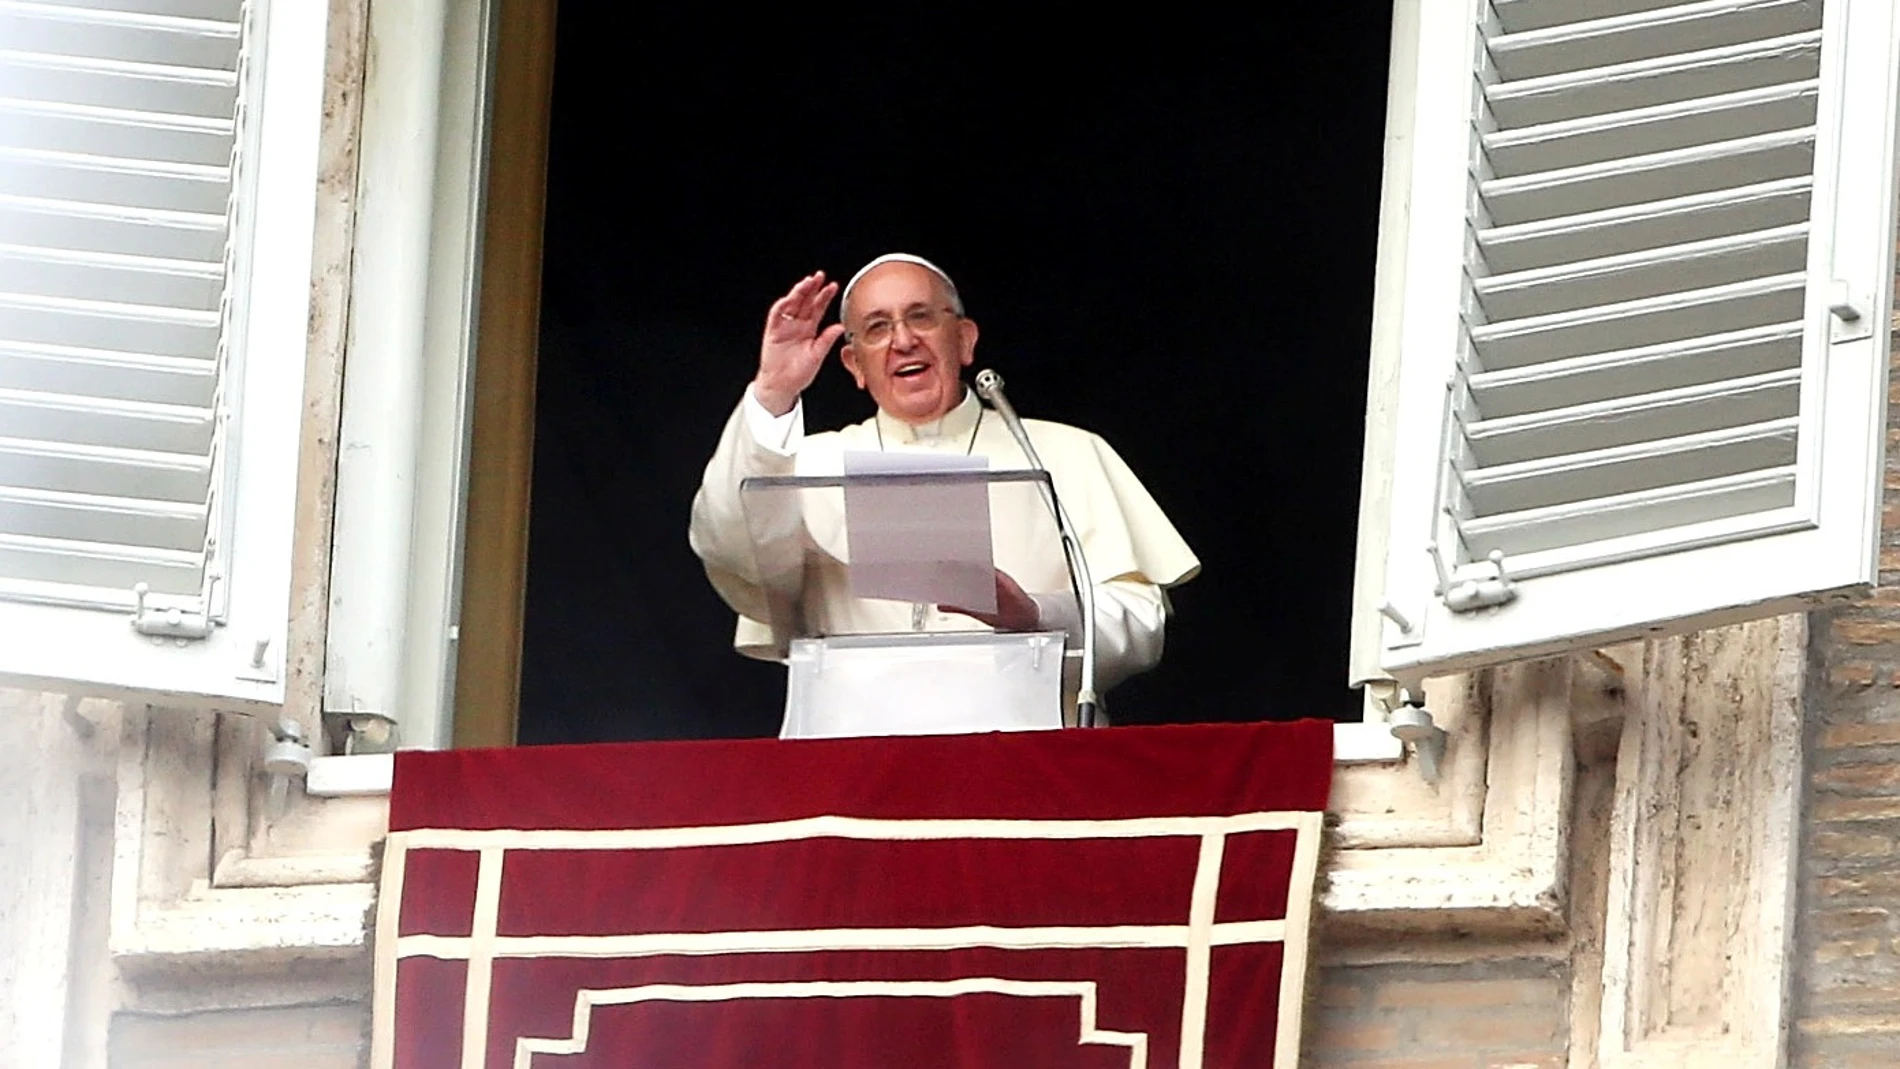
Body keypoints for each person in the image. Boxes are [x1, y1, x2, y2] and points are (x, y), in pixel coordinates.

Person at [689, 253, 1198, 726]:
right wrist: (773, 392)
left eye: (921, 317)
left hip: (1027, 759)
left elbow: (1140, 623)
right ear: (854, 365)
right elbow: (733, 550)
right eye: (877, 327)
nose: (903, 339)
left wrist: (1034, 616)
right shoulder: (805, 465)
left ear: (965, 340)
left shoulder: (1063, 452)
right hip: (856, 761)